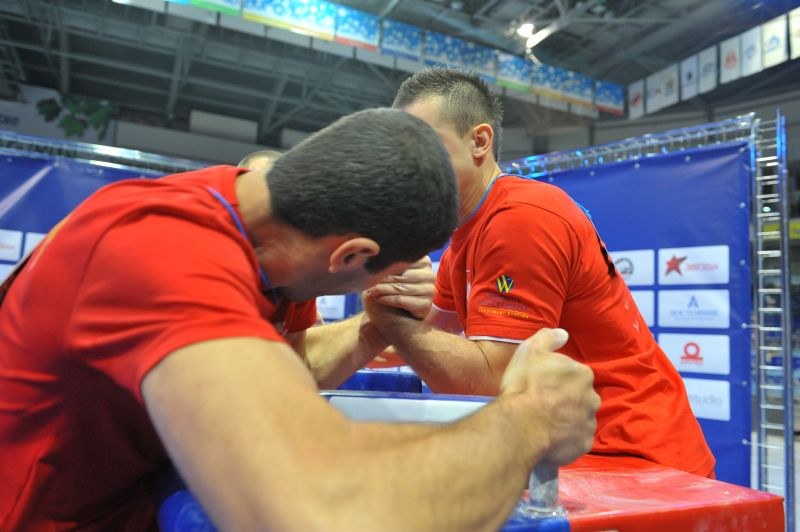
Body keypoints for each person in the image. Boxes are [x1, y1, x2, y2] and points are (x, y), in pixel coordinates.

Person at [0, 108, 600, 530]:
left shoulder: (257, 231)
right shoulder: (158, 253)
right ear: (352, 256)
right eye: (375, 276)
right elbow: (322, 511)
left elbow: (273, 366)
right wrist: (530, 422)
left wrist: (372, 328)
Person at [365, 67, 715, 478]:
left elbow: (490, 381)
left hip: (631, 452)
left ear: (479, 141)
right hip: (588, 449)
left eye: (423, 147)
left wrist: (388, 319)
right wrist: (348, 325)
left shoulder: (521, 217)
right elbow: (428, 341)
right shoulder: (465, 233)